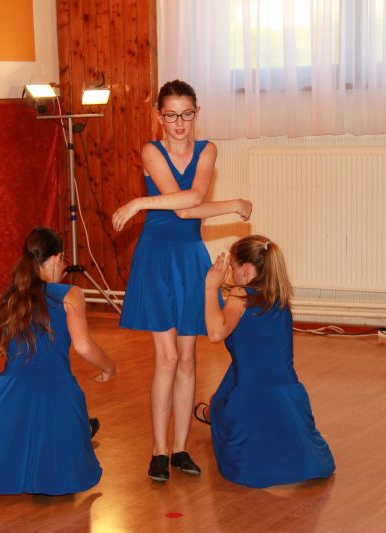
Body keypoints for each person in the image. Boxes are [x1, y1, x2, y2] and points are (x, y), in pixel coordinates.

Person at [112, 79, 252, 481]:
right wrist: (233, 204)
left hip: (190, 257)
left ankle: (180, 448)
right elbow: (185, 207)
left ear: (196, 113)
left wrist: (141, 202)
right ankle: (158, 450)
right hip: (157, 258)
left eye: (186, 114)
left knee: (188, 359)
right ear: (159, 116)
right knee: (168, 358)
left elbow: (192, 201)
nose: (179, 123)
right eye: (171, 115)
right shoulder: (150, 151)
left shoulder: (207, 150)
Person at [0, 227, 116, 495]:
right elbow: (83, 346)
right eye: (63, 260)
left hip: (8, 395)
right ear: (57, 258)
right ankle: (75, 434)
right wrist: (109, 367)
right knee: (63, 421)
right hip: (57, 393)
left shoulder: (4, 299)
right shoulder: (70, 295)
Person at [203, 235, 335, 488]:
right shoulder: (279, 298)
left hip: (250, 397)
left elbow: (216, 333)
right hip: (290, 397)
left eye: (232, 267)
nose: (231, 273)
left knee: (223, 408)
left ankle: (213, 414)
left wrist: (210, 288)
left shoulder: (241, 294)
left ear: (246, 269)